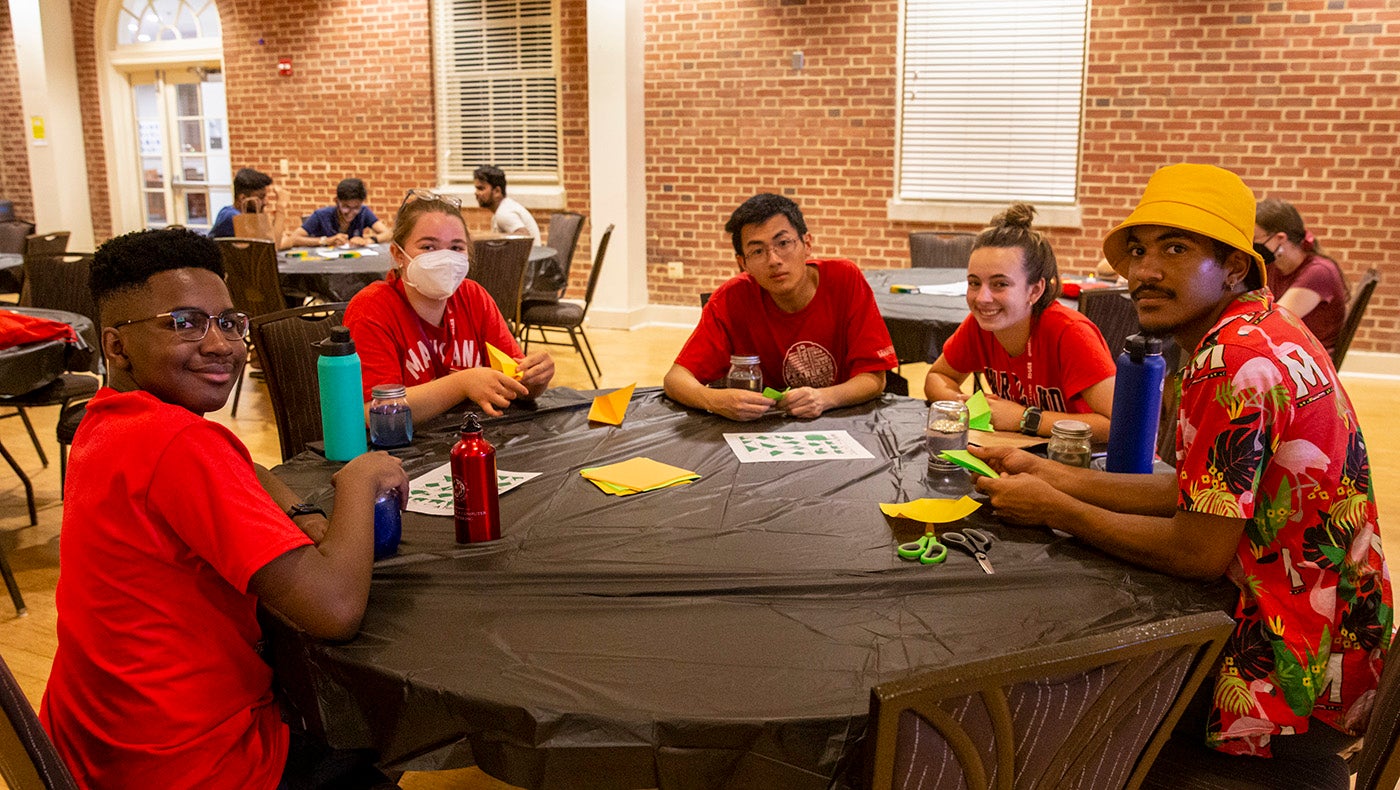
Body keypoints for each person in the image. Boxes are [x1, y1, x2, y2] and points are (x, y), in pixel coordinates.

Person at [971, 164, 1391, 771]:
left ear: (1235, 267)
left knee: (1039, 692)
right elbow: (1202, 493)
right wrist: (1045, 473)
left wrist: (1057, 509)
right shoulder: (1265, 328)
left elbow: (1198, 551)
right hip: (1341, 638)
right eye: (1138, 251)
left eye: (1175, 249)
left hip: (1283, 668)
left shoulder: (1232, 363)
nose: (1144, 270)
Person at [39, 227, 409, 788]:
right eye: (183, 323)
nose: (221, 345)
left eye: (230, 323)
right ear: (116, 345)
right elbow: (334, 610)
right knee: (373, 741)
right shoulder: (179, 443)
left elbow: (252, 471)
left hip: (94, 749)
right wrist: (357, 481)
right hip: (196, 763)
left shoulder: (110, 419)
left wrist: (303, 516)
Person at [663, 193, 897, 421]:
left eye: (783, 243)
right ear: (742, 263)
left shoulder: (844, 279)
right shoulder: (731, 298)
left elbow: (874, 377)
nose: (773, 260)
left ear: (807, 244)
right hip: (763, 429)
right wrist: (715, 400)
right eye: (757, 251)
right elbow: (676, 379)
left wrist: (825, 398)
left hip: (842, 420)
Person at [344, 189, 554, 422]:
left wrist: (536, 379)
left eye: (456, 248)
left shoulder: (474, 297)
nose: (445, 258)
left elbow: (516, 384)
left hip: (473, 437)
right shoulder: (371, 309)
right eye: (428, 247)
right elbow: (372, 413)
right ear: (398, 254)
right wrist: (462, 384)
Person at [923, 203, 1116, 441]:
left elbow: (1119, 425)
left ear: (1034, 291)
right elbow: (938, 377)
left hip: (1084, 460)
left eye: (1000, 284)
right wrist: (963, 406)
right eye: (974, 283)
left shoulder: (1070, 333)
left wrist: (1026, 418)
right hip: (1022, 452)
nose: (982, 298)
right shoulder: (980, 325)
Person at [1254, 197, 1348, 354]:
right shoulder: (1273, 265)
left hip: (1309, 361)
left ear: (1280, 239)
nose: (1251, 244)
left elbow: (1273, 321)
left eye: (1254, 238)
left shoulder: (1318, 272)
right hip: (1290, 350)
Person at [287, 177, 391, 248]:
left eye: (356, 207)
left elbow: (389, 233)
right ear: (337, 201)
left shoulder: (364, 212)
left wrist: (369, 240)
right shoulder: (321, 215)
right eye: (346, 207)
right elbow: (294, 238)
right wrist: (326, 241)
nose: (351, 212)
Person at [209, 167, 293, 249]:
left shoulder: (241, 215)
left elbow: (270, 240)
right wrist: (280, 207)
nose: (265, 202)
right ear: (243, 198)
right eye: (261, 197)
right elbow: (271, 248)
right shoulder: (232, 217)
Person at [473, 165, 541, 245]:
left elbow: (524, 237)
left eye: (481, 188)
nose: (476, 193)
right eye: (476, 188)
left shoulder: (504, 213)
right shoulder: (503, 210)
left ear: (497, 191)